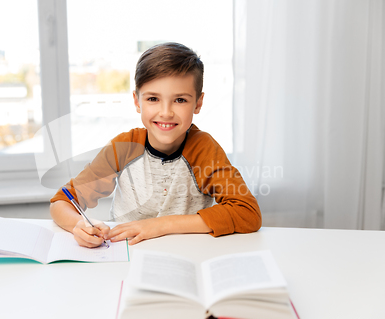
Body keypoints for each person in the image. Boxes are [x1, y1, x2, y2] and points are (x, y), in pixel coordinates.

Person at [50, 42, 261, 247]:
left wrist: (160, 225)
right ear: (136, 101)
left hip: (187, 254)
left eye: (180, 100)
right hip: (126, 254)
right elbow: (61, 201)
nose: (166, 112)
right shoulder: (123, 147)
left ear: (198, 103)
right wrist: (79, 224)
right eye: (153, 99)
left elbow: (247, 212)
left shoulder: (204, 149)